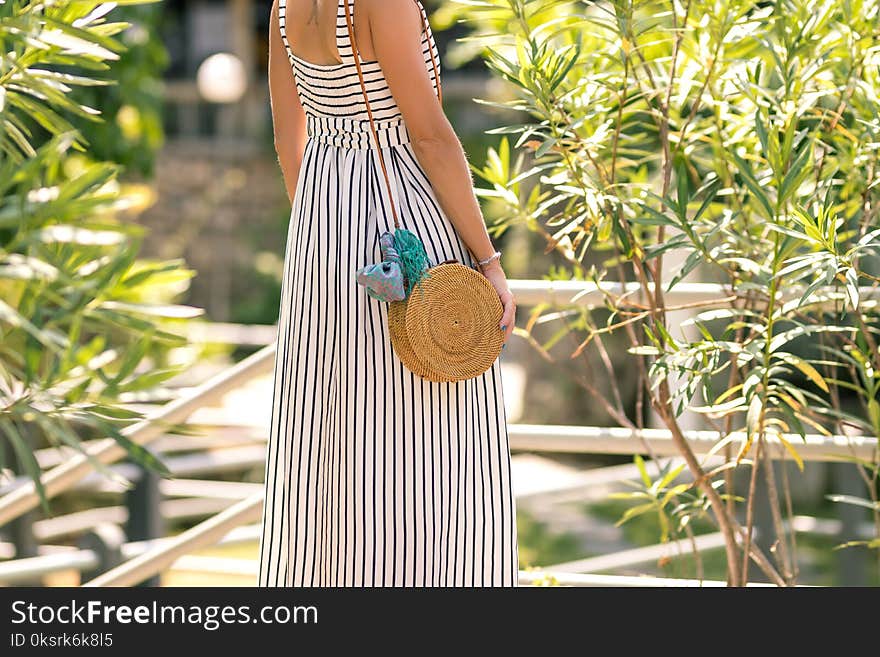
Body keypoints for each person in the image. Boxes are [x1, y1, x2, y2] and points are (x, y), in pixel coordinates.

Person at [257, 0, 518, 587]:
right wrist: (488, 260)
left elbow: (286, 140)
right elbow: (429, 136)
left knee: (330, 437)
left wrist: (323, 230)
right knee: (430, 438)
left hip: (320, 231)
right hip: (397, 222)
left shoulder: (283, 7)